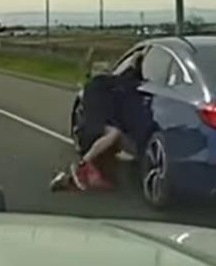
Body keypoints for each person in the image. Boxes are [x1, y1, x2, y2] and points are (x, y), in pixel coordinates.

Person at [50, 52, 145, 192]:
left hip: (86, 130)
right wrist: (133, 66)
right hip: (95, 129)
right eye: (105, 70)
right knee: (114, 134)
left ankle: (69, 179)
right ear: (100, 72)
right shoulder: (101, 82)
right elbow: (124, 81)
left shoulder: (93, 86)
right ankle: (83, 164)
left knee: (106, 178)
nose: (108, 71)